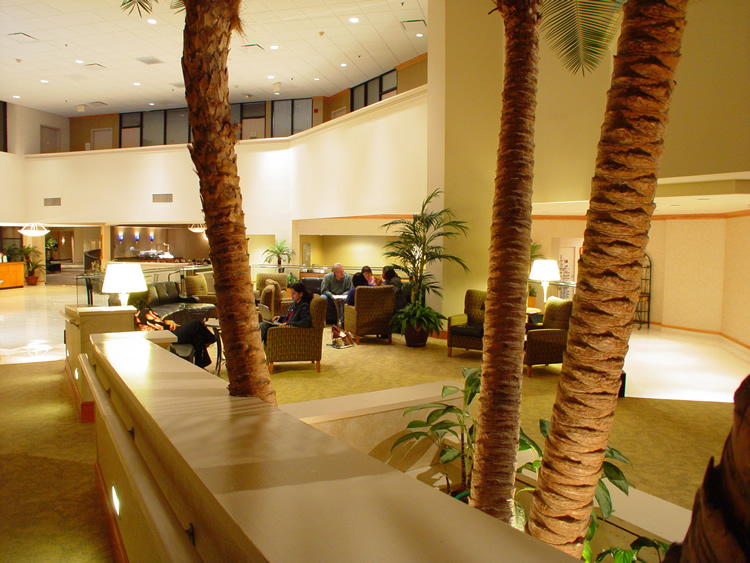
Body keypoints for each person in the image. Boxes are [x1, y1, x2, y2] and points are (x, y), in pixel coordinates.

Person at [128, 291, 216, 369]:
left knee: (197, 336)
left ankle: (200, 365)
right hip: (167, 337)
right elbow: (160, 327)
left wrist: (168, 322)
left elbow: (157, 323)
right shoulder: (142, 313)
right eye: (148, 295)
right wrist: (173, 326)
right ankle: (211, 339)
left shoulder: (142, 310)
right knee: (195, 324)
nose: (150, 297)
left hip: (166, 334)